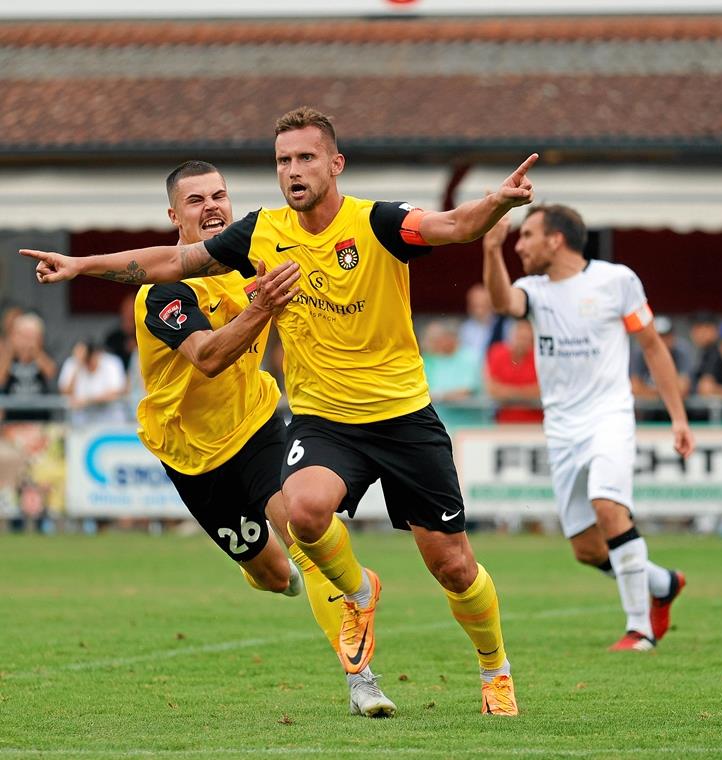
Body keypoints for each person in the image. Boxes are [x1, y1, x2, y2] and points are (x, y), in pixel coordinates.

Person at [22, 106, 537, 716]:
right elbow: (183, 296)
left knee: (451, 566)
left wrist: (499, 203)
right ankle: (358, 593)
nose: (292, 170)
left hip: (389, 417)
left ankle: (492, 668)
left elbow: (452, 225)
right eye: (283, 161)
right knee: (293, 537)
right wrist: (82, 265)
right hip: (229, 445)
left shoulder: (376, 221)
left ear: (334, 163)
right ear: (175, 213)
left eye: (305, 157)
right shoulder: (249, 242)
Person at [134, 160, 391, 717]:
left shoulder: (253, 256)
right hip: (193, 456)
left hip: (257, 425)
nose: (212, 207)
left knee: (302, 527)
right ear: (174, 215)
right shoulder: (163, 290)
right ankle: (286, 577)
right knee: (274, 573)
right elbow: (207, 357)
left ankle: (361, 679)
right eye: (196, 200)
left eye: (219, 195)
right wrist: (261, 306)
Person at [482, 205, 694, 652]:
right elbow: (503, 304)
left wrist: (678, 416)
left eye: (527, 236)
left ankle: (640, 630)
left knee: (608, 505)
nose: (519, 244)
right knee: (587, 550)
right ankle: (662, 583)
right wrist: (490, 247)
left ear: (555, 240)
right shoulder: (532, 290)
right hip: (561, 429)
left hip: (609, 417)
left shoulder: (617, 281)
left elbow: (653, 347)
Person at [420, 318, 484, 429]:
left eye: (441, 339)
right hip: (440, 424)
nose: (438, 343)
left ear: (451, 338)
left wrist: (439, 396)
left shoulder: (469, 357)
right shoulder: (432, 359)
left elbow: (466, 391)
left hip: (470, 425)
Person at [0, 313, 58, 422]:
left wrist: (35, 352)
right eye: (22, 335)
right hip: (13, 419)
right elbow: (1, 379)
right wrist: (10, 351)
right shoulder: (8, 357)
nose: (25, 341)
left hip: (40, 418)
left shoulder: (43, 355)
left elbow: (51, 373)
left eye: (30, 336)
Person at [484, 318, 543, 424]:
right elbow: (492, 390)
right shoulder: (497, 352)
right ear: (511, 335)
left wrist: (508, 394)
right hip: (504, 423)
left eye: (526, 338)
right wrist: (526, 394)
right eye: (519, 337)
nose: (522, 341)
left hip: (535, 424)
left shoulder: (539, 356)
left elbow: (541, 391)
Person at [58, 338, 128, 426]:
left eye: (87, 357)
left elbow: (117, 392)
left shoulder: (111, 363)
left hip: (110, 424)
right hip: (82, 425)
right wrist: (77, 365)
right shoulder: (73, 363)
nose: (86, 362)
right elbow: (65, 391)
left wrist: (87, 401)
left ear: (95, 354)